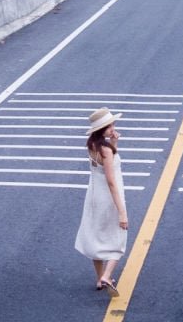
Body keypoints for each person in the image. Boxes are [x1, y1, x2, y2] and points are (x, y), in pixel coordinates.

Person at [75, 108, 129, 297]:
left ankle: (99, 279)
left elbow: (106, 163)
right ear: (101, 129)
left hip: (94, 196)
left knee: (96, 235)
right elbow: (111, 181)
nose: (112, 128)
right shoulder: (105, 150)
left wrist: (114, 142)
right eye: (109, 126)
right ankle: (107, 276)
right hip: (108, 197)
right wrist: (122, 212)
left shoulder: (92, 145)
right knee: (118, 236)